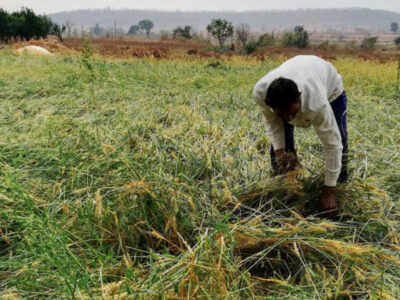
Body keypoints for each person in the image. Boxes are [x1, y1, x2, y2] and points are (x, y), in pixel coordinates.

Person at [253, 55, 348, 213]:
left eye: (291, 113)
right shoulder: (261, 94)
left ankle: (339, 183)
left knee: (340, 139)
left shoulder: (317, 103)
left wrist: (328, 190)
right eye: (282, 114)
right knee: (282, 154)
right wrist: (280, 152)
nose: (288, 119)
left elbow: (332, 145)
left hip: (331, 90)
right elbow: (273, 124)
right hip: (297, 76)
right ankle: (286, 186)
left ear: (299, 98)